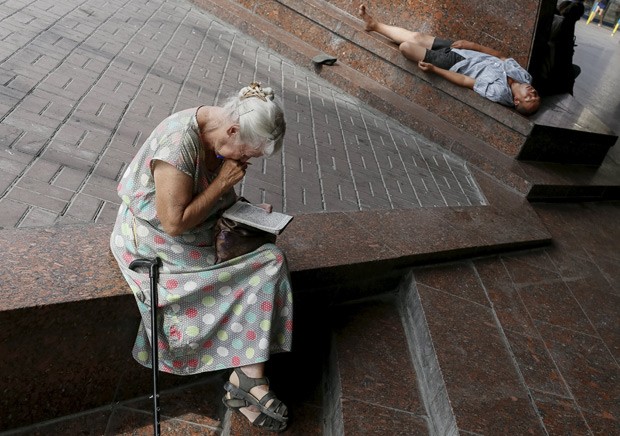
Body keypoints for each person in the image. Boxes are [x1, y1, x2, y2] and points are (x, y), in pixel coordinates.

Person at [110, 82, 291, 432]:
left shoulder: (220, 132)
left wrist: (241, 210)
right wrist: (223, 184)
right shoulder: (179, 145)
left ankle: (248, 380)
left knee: (270, 259)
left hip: (196, 228)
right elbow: (173, 222)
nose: (245, 160)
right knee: (267, 264)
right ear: (233, 129)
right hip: (153, 241)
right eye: (248, 153)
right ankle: (248, 383)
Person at [358, 4, 541, 115]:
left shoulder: (499, 93)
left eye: (529, 98)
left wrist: (435, 70)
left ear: (517, 101)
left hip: (455, 63)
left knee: (406, 47)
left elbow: (466, 80)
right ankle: (374, 25)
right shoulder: (525, 77)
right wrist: (474, 45)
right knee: (418, 36)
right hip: (465, 50)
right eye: (535, 95)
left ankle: (382, 31)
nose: (532, 93)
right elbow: (501, 56)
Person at [535, 0, 585, 96]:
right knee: (575, 70)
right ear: (577, 17)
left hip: (543, 71)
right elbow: (565, 61)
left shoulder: (552, 19)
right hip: (547, 76)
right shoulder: (564, 24)